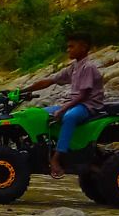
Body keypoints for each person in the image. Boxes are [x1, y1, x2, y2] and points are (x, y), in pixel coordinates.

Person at [22, 33, 105, 177]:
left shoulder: (88, 67)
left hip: (88, 105)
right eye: (68, 47)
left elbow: (83, 95)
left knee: (69, 117)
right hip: (74, 103)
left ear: (84, 47)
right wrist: (23, 90)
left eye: (72, 46)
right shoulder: (74, 67)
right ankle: (45, 149)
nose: (68, 50)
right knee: (41, 114)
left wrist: (63, 109)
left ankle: (56, 158)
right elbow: (50, 80)